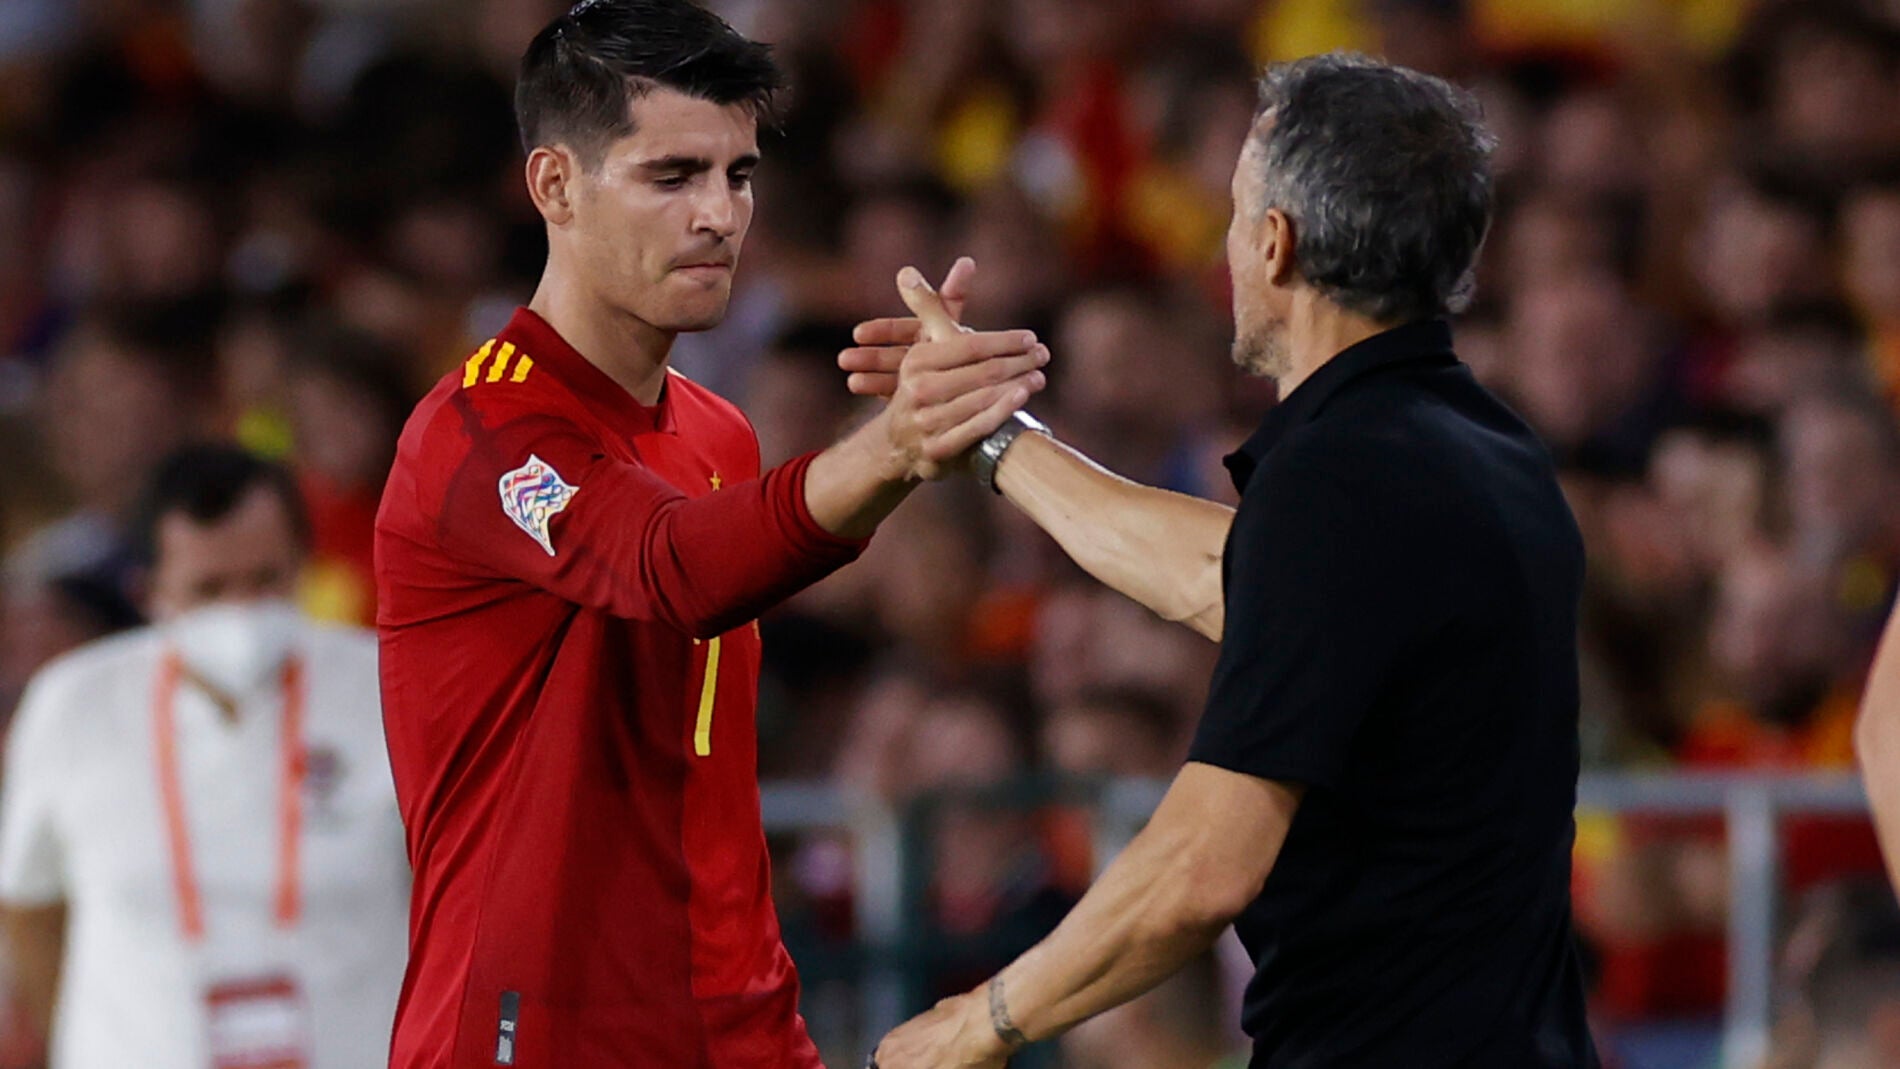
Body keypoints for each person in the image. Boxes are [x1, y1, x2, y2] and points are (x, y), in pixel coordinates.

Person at [853, 52, 1598, 1067]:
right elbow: (1233, 577)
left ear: (1278, 243)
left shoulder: (1340, 480)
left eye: (1237, 213)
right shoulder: (1490, 454)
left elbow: (1203, 865)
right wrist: (994, 437)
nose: (1224, 243)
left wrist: (973, 1025)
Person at [372, 2, 1048, 1067]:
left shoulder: (718, 431)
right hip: (531, 1035)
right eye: (672, 176)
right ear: (554, 185)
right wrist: (897, 443)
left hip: (731, 1027)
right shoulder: (479, 433)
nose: (721, 215)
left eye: (738, 175)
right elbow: (669, 566)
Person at [0, 443, 409, 1069]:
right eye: (209, 589)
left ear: (305, 566)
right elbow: (29, 903)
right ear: (147, 590)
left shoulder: (390, 687)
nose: (241, 611)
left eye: (266, 580)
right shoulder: (73, 703)